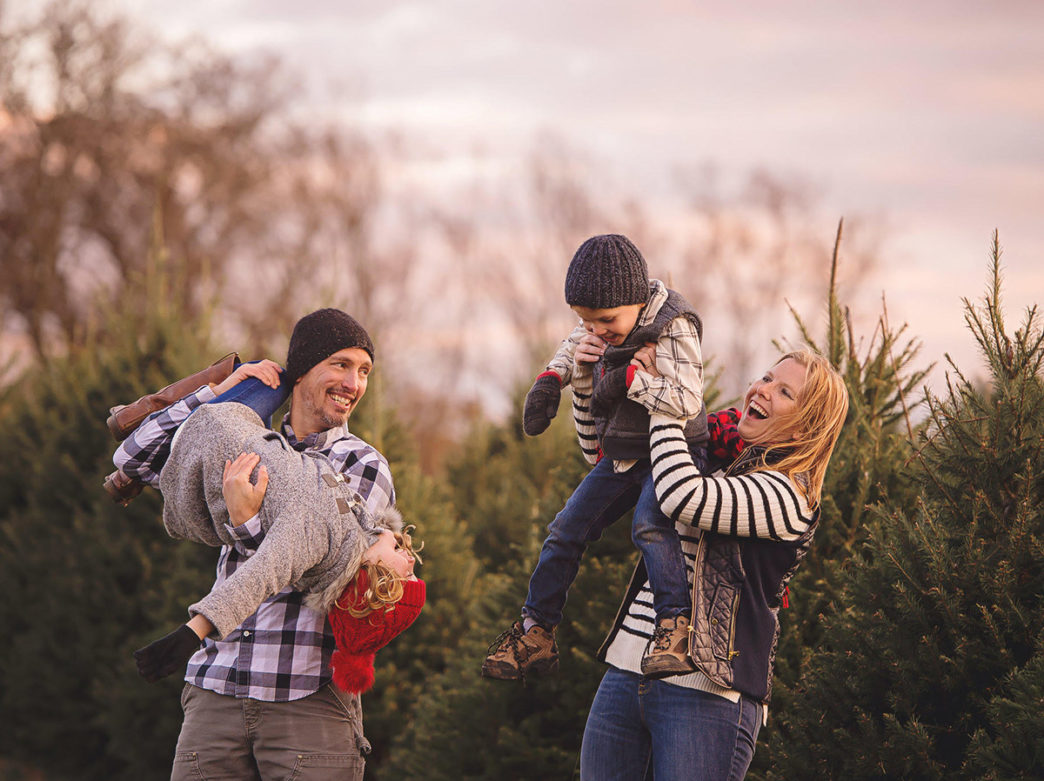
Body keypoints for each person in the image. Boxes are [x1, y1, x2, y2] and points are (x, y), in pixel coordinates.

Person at [114, 308, 397, 780]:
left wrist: (244, 520)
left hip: (304, 698)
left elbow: (317, 558)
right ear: (301, 369)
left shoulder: (362, 464)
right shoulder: (245, 436)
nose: (354, 382)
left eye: (364, 370)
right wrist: (220, 392)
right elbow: (138, 459)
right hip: (215, 688)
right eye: (341, 364)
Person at [579, 348, 849, 781]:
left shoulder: (788, 497)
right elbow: (605, 453)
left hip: (708, 695)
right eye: (765, 377)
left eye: (785, 392)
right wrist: (585, 374)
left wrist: (668, 401)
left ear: (808, 424)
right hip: (628, 671)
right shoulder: (715, 457)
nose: (761, 389)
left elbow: (682, 498)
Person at [482, 234, 710, 680]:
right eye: (586, 322)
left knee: (650, 524)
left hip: (675, 448)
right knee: (565, 529)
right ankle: (536, 631)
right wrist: (555, 376)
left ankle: (675, 626)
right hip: (624, 453)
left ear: (636, 298)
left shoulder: (673, 323)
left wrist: (628, 379)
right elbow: (571, 348)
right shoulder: (598, 323)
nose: (596, 331)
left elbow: (687, 398)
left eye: (605, 321)